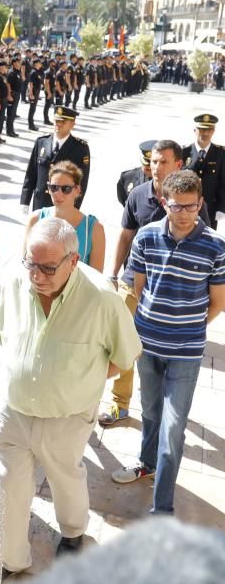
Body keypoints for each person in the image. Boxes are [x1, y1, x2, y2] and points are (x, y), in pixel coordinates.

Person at [0, 217, 141, 577]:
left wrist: (80, 379)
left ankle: (73, 533)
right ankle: (11, 561)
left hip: (68, 418)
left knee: (66, 480)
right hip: (13, 411)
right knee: (9, 488)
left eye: (48, 267)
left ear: (73, 261)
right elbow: (0, 336)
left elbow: (125, 357)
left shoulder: (102, 298)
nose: (37, 275)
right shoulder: (13, 281)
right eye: (31, 263)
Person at [111, 170, 225, 513]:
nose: (185, 214)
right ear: (165, 202)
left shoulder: (216, 247)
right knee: (150, 412)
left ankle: (162, 509)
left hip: (186, 353)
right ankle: (146, 463)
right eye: (177, 207)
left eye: (192, 207)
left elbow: (218, 301)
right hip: (147, 345)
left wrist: (188, 325)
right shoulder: (145, 238)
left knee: (173, 429)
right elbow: (141, 288)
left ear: (201, 203)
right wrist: (158, 322)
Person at [102, 140, 210, 427]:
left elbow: (204, 242)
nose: (156, 167)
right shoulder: (137, 194)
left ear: (179, 165)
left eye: (163, 162)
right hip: (132, 283)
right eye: (153, 162)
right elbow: (125, 235)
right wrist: (113, 274)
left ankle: (159, 404)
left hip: (169, 291)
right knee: (122, 343)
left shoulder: (190, 200)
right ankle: (119, 403)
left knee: (157, 357)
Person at [24, 161, 104, 272]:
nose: (58, 193)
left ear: (78, 190)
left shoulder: (94, 228)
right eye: (54, 187)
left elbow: (97, 277)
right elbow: (26, 264)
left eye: (66, 189)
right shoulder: (35, 219)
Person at [20, 106, 90, 211]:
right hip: (40, 203)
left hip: (63, 204)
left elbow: (82, 182)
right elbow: (31, 173)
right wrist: (25, 200)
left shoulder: (80, 148)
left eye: (63, 121)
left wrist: (75, 207)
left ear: (72, 124)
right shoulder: (41, 142)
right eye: (56, 120)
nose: (58, 124)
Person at [182, 113, 224, 229]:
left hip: (210, 208)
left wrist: (221, 208)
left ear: (214, 131)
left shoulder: (221, 154)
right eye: (202, 129)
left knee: (207, 242)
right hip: (186, 207)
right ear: (195, 130)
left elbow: (223, 183)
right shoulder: (184, 152)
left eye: (209, 130)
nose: (205, 133)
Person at [116, 140, 153, 206]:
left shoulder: (168, 179)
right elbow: (123, 200)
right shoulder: (127, 177)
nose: (149, 167)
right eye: (146, 163)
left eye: (154, 162)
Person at [5, 58, 23, 138]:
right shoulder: (11, 72)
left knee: (13, 114)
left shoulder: (18, 71)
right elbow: (8, 84)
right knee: (10, 114)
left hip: (17, 94)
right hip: (12, 94)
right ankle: (9, 131)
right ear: (14, 63)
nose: (19, 63)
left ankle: (11, 130)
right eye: (18, 62)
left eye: (19, 62)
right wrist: (9, 95)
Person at [26, 57, 43, 131]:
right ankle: (31, 125)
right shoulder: (33, 72)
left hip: (36, 92)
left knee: (33, 108)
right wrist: (31, 94)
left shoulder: (37, 71)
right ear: (36, 64)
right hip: (33, 92)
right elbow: (30, 83)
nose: (40, 64)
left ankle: (32, 124)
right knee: (32, 109)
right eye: (39, 63)